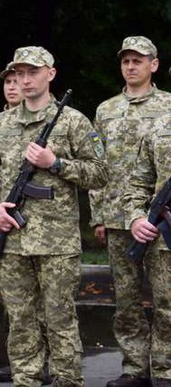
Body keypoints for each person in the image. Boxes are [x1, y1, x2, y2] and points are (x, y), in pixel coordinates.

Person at [0, 46, 108, 387]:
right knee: (20, 319)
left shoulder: (73, 121)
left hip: (57, 242)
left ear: (50, 74)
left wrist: (57, 164)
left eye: (32, 72)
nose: (24, 79)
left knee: (60, 319)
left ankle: (66, 380)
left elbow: (100, 174)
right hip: (13, 239)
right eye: (19, 73)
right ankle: (26, 379)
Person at [90, 36, 171, 387]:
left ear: (153, 64)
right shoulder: (105, 110)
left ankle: (166, 367)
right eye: (126, 60)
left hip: (163, 219)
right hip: (118, 217)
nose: (131, 66)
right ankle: (134, 368)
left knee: (166, 296)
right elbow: (96, 166)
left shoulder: (169, 107)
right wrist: (97, 215)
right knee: (126, 299)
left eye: (139, 60)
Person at [0, 67, 51, 385]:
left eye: (24, 78)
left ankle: (49, 363)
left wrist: (54, 163)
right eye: (11, 80)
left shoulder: (65, 121)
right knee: (17, 309)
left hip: (52, 237)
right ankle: (24, 368)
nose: (17, 85)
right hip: (10, 230)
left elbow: (97, 172)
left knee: (51, 310)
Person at [123, 111, 171, 387]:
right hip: (165, 237)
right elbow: (138, 183)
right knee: (165, 306)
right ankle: (165, 371)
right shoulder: (158, 127)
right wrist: (136, 217)